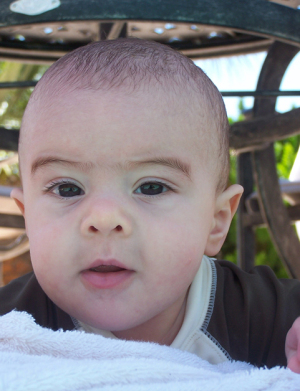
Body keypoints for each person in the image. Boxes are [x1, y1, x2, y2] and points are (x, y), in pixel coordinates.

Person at [1, 38, 300, 372]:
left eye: (152, 186)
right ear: (28, 218)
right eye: (68, 188)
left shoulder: (261, 315)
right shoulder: (12, 329)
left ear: (216, 221)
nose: (103, 218)